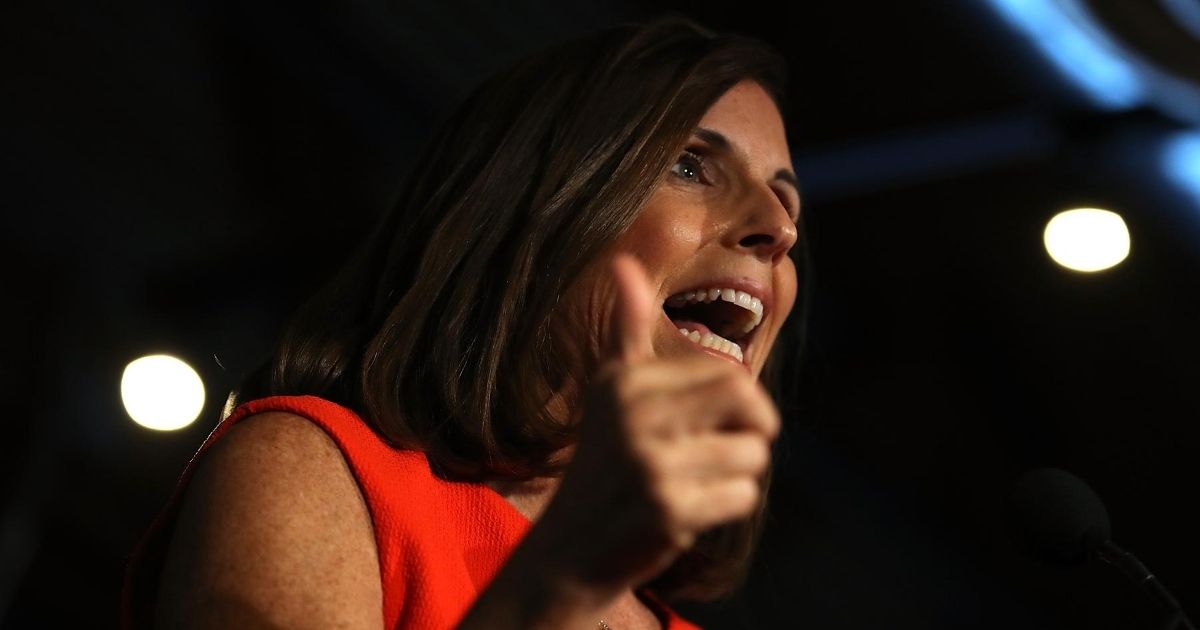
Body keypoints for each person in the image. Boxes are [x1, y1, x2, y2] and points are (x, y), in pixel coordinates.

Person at [121, 14, 809, 629]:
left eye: (788, 204)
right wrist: (561, 584)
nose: (778, 228)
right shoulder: (315, 469)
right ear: (533, 212)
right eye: (691, 166)